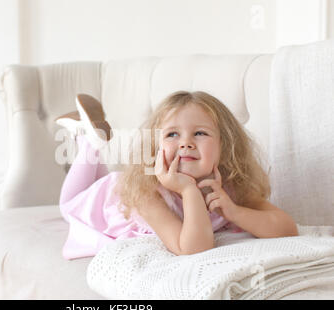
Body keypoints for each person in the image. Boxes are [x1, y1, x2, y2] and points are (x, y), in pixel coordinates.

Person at [56, 91, 298, 260]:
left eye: (200, 133)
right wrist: (188, 190)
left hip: (118, 186)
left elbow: (287, 228)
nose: (186, 143)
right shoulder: (146, 194)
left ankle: (86, 135)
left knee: (97, 179)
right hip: (108, 198)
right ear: (156, 146)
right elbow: (192, 248)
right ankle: (88, 142)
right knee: (67, 207)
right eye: (172, 135)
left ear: (226, 145)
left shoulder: (230, 188)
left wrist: (235, 211)